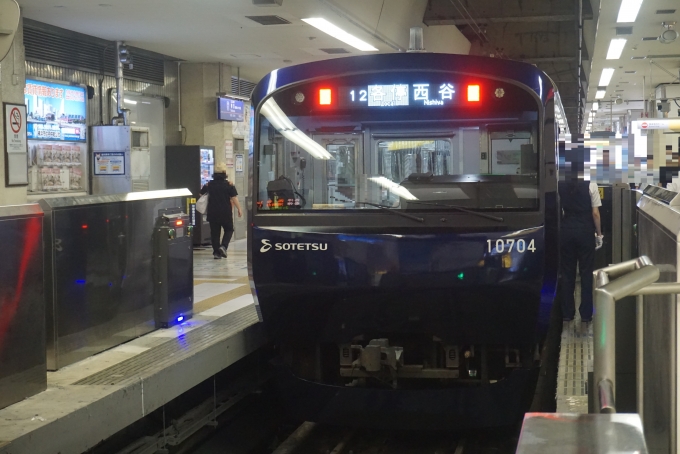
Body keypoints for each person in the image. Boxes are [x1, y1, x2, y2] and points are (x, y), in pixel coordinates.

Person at [559, 177, 603, 322]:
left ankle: (567, 313)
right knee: (586, 274)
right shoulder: (591, 184)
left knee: (567, 273)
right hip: (585, 232)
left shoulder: (560, 183)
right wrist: (599, 234)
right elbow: (595, 213)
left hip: (566, 231)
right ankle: (586, 314)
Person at [200, 163, 242, 259]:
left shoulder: (209, 184)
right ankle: (223, 246)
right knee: (229, 229)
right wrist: (239, 209)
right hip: (225, 212)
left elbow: (200, 194)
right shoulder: (229, 185)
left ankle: (216, 253)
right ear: (224, 173)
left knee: (215, 233)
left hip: (212, 212)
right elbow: (234, 197)